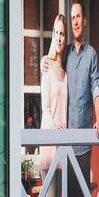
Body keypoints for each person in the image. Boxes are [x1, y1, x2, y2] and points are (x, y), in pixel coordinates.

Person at [51, 0, 99, 197]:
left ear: (85, 20)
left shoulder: (91, 54)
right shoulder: (67, 54)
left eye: (78, 17)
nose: (75, 22)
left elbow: (96, 86)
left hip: (82, 146)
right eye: (71, 18)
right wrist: (48, 64)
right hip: (64, 147)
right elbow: (55, 73)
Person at [36, 13, 69, 178]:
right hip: (50, 144)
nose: (58, 38)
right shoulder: (46, 64)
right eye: (56, 33)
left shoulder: (66, 72)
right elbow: (46, 108)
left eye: (62, 34)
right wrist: (56, 130)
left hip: (63, 147)